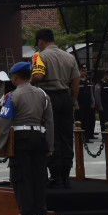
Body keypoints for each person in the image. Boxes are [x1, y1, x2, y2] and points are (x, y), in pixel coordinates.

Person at [0, 61, 54, 215]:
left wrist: (0, 146)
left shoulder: (12, 96)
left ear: (14, 77)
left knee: (22, 178)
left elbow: (4, 122)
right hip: (39, 138)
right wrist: (50, 145)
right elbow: (50, 122)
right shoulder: (43, 95)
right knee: (39, 178)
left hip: (21, 139)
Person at [30, 28, 80, 189]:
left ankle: (56, 176)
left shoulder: (39, 56)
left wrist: (29, 83)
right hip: (65, 97)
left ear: (40, 42)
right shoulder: (70, 57)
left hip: (48, 96)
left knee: (51, 136)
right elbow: (75, 83)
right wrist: (71, 101)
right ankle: (66, 176)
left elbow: (38, 76)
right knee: (66, 137)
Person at [74, 65, 97, 141]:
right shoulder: (76, 80)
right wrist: (76, 104)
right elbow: (73, 92)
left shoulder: (88, 81)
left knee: (87, 120)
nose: (84, 72)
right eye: (82, 71)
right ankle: (80, 137)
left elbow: (91, 92)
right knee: (80, 121)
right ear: (79, 71)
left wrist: (93, 102)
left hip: (87, 103)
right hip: (79, 104)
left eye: (85, 71)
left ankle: (86, 136)